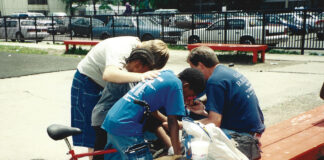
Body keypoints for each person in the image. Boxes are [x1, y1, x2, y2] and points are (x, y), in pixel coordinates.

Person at [71, 36, 169, 159]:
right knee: (93, 138)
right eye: (149, 67)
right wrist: (142, 76)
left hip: (107, 93)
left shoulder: (132, 62)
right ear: (141, 63)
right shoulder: (122, 50)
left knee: (107, 144)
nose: (150, 71)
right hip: (89, 80)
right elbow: (109, 74)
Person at [101, 68, 206, 160]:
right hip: (126, 127)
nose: (188, 99)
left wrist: (165, 120)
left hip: (113, 119)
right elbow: (172, 122)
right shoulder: (176, 86)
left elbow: (153, 110)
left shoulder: (165, 74)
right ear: (186, 86)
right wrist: (177, 154)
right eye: (190, 96)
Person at [186, 46, 265, 138]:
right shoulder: (224, 72)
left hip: (244, 135)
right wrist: (203, 106)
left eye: (193, 68)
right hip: (255, 128)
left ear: (201, 66)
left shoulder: (214, 81)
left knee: (193, 134)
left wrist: (183, 125)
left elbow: (214, 122)